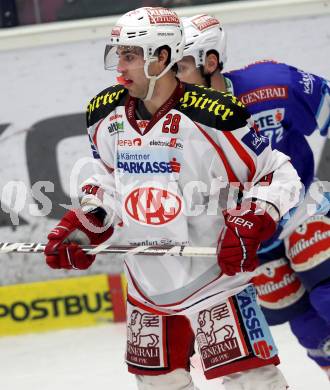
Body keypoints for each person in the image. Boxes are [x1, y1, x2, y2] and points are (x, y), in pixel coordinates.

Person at [44, 7, 302, 389]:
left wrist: (253, 218)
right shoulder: (105, 114)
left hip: (217, 279)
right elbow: (111, 183)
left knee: (254, 382)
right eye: (118, 54)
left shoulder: (214, 116)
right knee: (158, 385)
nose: (120, 66)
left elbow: (279, 174)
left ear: (162, 56)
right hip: (147, 283)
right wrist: (84, 227)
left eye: (130, 55)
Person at [177, 13, 330, 380]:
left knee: (326, 291)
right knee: (305, 325)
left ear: (210, 62)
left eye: (179, 66)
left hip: (300, 207)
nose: (168, 78)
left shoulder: (273, 85)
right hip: (245, 236)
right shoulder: (165, 122)